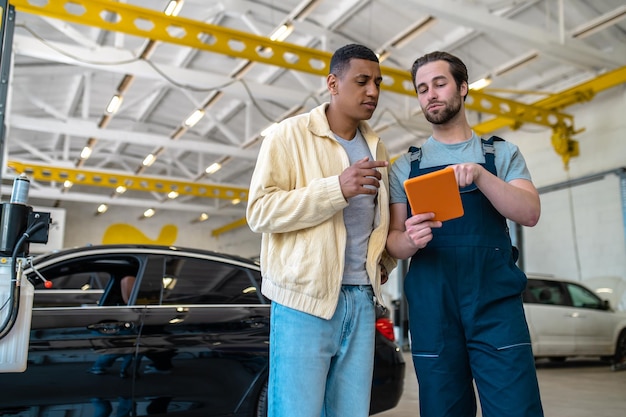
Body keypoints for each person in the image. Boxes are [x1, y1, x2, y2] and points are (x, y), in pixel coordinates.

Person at [386, 51, 544, 417]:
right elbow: (393, 240)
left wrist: (480, 175)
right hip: (433, 309)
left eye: (439, 84)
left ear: (463, 87)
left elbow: (529, 212)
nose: (431, 94)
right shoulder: (405, 166)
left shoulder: (501, 154)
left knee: (515, 408)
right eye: (422, 89)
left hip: (494, 305)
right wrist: (410, 239)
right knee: (443, 409)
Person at [246, 43, 396, 417]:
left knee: (351, 412)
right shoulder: (288, 135)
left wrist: (384, 265)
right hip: (303, 301)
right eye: (362, 81)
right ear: (333, 82)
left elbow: (378, 226)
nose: (373, 92)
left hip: (361, 300)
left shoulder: (377, 146)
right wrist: (336, 188)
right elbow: (259, 212)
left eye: (378, 83)